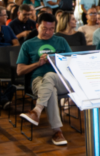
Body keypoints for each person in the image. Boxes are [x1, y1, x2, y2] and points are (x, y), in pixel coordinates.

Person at [17, 13, 71, 146]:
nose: (48, 32)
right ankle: (57, 132)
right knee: (50, 86)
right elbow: (19, 71)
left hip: (61, 79)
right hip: (38, 81)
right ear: (37, 26)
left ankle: (37, 111)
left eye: (52, 29)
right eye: (44, 28)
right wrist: (37, 64)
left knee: (50, 76)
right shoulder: (28, 44)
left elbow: (72, 63)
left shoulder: (61, 41)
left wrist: (58, 61)